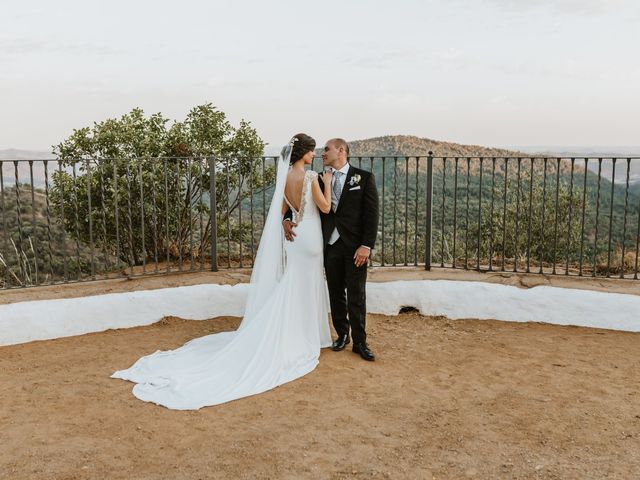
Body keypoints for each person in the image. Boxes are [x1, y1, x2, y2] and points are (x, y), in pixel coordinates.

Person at [112, 134, 333, 410]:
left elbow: (283, 210)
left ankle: (300, 331)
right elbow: (325, 207)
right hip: (310, 236)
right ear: (304, 153)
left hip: (295, 239)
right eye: (312, 151)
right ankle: (311, 335)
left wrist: (288, 223)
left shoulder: (285, 176)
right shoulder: (312, 177)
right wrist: (328, 184)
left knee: (294, 284)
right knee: (307, 285)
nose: (314, 155)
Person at [284, 138, 379, 361]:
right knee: (335, 293)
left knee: (357, 295)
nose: (322, 153)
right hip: (329, 245)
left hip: (355, 247)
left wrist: (366, 245)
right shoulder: (315, 178)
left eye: (327, 149)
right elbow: (297, 201)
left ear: (341, 151)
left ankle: (360, 342)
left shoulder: (363, 178)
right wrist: (286, 219)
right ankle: (342, 334)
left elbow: (371, 214)